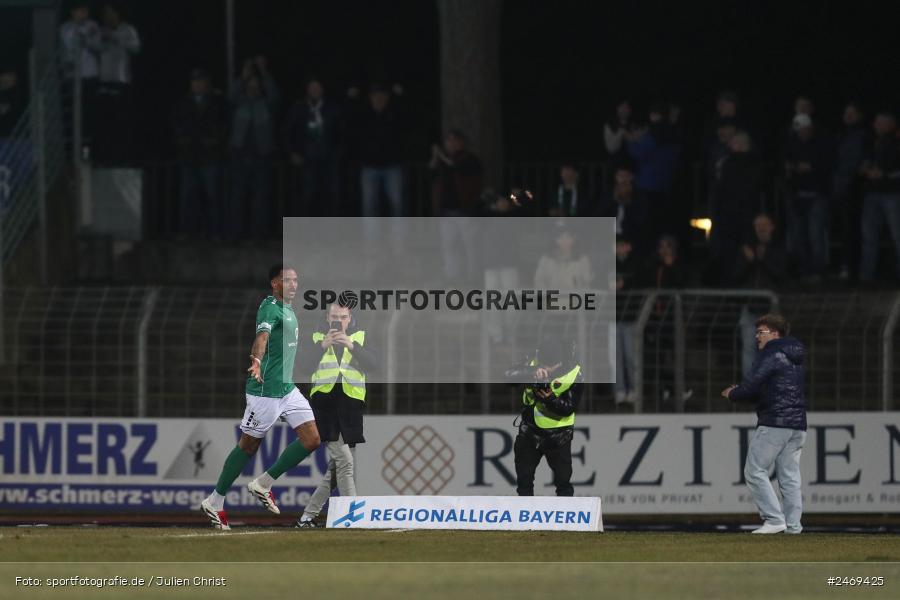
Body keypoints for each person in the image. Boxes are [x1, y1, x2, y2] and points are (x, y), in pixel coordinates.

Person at [200, 265, 320, 530]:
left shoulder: (288, 309)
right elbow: (262, 337)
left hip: (287, 390)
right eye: (286, 280)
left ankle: (263, 483)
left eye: (295, 280)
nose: (293, 284)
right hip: (265, 392)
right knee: (248, 447)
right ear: (274, 284)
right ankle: (215, 501)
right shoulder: (270, 308)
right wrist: (256, 360)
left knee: (311, 440)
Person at [722, 314, 807, 534]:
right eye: (757, 332)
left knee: (754, 470)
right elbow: (766, 391)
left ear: (775, 334)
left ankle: (774, 519)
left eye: (761, 332)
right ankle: (793, 526)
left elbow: (751, 388)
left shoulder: (771, 354)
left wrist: (733, 393)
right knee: (789, 476)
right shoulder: (795, 356)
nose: (757, 337)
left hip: (775, 422)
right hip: (798, 425)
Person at [295, 301, 376, 528]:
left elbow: (374, 364)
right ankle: (354, 516)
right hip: (325, 405)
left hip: (350, 406)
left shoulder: (360, 337)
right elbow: (302, 366)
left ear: (350, 319)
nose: (338, 321)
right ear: (327, 318)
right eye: (334, 317)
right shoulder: (315, 338)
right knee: (345, 462)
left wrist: (352, 346)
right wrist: (322, 345)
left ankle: (306, 517)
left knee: (337, 468)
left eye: (342, 317)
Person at [507, 337, 583, 497]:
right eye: (543, 365)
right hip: (530, 431)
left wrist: (549, 398)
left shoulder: (575, 374)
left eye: (550, 366)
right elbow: (508, 377)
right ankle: (525, 518)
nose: (546, 370)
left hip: (559, 435)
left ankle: (566, 520)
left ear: (560, 363)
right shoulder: (532, 364)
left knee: (563, 482)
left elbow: (568, 408)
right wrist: (529, 373)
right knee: (524, 481)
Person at [228, 56, 279, 239]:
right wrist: (244, 75)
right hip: (240, 156)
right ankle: (236, 234)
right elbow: (231, 95)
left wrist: (263, 72)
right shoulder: (239, 102)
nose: (254, 86)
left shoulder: (267, 103)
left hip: (261, 156)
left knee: (260, 198)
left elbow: (274, 94)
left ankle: (259, 235)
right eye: (251, 83)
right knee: (238, 197)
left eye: (257, 83)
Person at [173, 68, 227, 237]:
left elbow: (224, 124)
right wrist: (182, 139)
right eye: (194, 81)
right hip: (189, 156)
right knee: (188, 197)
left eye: (200, 80)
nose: (197, 84)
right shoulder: (184, 102)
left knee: (212, 197)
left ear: (207, 83)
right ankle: (188, 232)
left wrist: (215, 140)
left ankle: (214, 232)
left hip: (210, 156)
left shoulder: (217, 101)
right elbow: (175, 123)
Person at [283, 77, 343, 216]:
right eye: (312, 87)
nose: (315, 90)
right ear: (307, 90)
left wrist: (337, 153)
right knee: (307, 197)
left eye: (317, 87)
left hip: (328, 160)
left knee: (331, 197)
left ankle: (330, 233)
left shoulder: (332, 108)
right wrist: (292, 152)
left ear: (322, 89)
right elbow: (287, 131)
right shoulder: (298, 108)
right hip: (307, 160)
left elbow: (341, 132)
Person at [95, 2, 140, 160]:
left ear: (117, 13)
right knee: (106, 122)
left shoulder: (127, 29)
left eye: (110, 12)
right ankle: (105, 155)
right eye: (105, 13)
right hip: (105, 80)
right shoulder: (101, 30)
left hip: (122, 81)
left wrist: (117, 39)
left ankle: (122, 155)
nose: (107, 16)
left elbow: (136, 48)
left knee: (122, 121)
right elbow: (94, 47)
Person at [859, 111, 900, 283]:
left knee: (898, 235)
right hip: (872, 194)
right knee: (869, 237)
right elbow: (863, 163)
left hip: (892, 194)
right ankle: (866, 277)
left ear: (889, 123)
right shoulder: (872, 142)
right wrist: (865, 169)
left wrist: (884, 175)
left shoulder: (897, 143)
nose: (876, 125)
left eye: (880, 122)